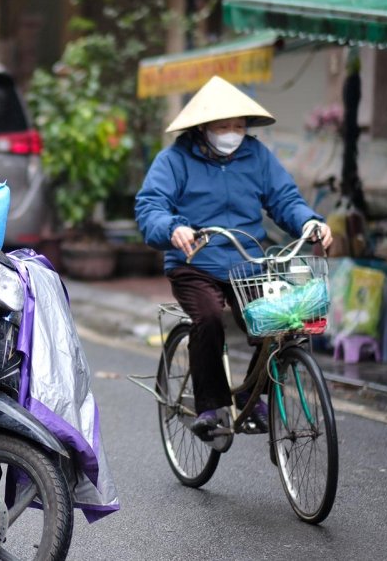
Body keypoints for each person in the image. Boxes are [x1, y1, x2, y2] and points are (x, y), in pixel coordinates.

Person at [135, 76, 332, 439]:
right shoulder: (175, 160)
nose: (232, 132)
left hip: (247, 264)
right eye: (223, 126)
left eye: (238, 125)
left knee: (280, 322)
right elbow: (151, 207)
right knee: (209, 318)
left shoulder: (256, 156)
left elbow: (284, 198)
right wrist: (173, 228)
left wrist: (311, 222)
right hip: (195, 263)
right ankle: (211, 408)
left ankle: (256, 399)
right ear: (203, 127)